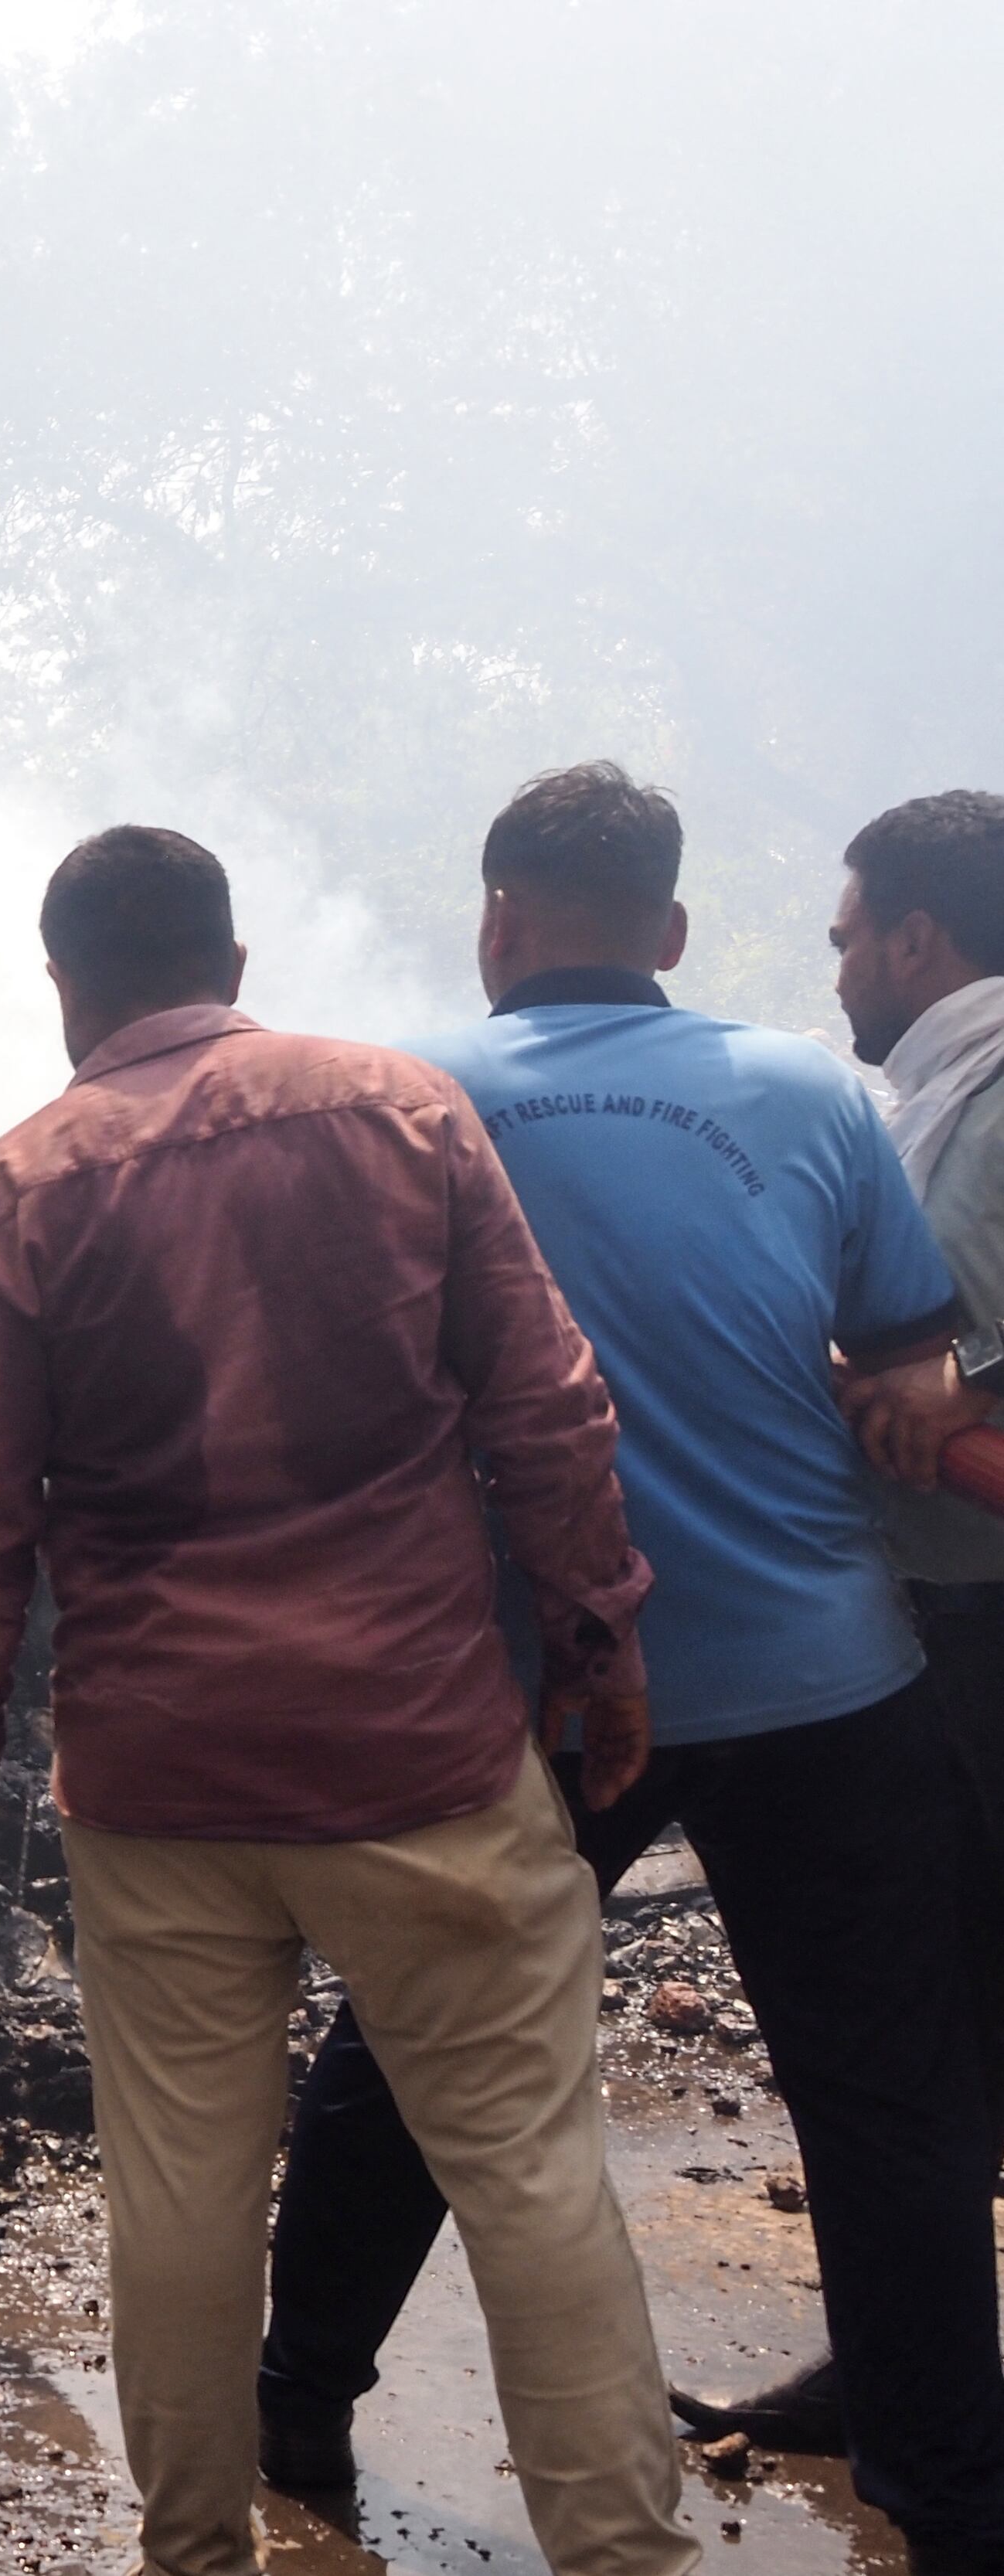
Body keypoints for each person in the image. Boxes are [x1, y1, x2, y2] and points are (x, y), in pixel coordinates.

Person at [0, 824, 692, 2576]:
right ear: (233, 967)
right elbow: (548, 1413)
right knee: (528, 2172)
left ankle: (194, 2550)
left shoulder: (8, 1192)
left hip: (161, 1784)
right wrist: (597, 1648)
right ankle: (626, 2556)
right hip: (418, 1755)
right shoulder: (401, 1113)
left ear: (62, 987)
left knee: (178, 2193)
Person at [254, 764, 1004, 2576]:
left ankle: (292, 2411)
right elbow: (909, 1371)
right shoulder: (820, 1094)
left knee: (418, 2047)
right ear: (671, 932)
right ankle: (953, 2500)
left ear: (495, 917)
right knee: (890, 2095)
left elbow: (336, 1400)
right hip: (829, 1671)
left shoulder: (403, 1102)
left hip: (540, 1688)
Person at [706, 791, 1004, 2451]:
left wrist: (968, 1377)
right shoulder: (930, 1097)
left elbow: (963, 1343)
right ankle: (903, 2366)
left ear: (913, 934)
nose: (832, 974)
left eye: (843, 937)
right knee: (929, 2013)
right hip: (925, 1608)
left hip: (987, 1613)